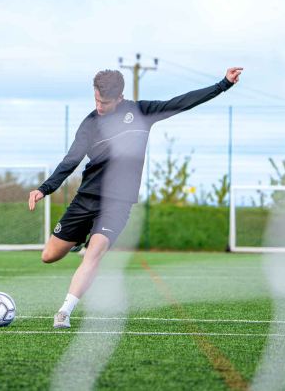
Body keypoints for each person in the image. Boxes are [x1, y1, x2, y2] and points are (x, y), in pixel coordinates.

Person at [29, 67, 243, 328]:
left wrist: (223, 84)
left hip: (118, 202)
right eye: (96, 100)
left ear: (119, 98)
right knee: (49, 255)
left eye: (104, 102)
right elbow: (71, 160)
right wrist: (44, 189)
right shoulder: (90, 123)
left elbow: (181, 103)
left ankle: (64, 312)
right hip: (86, 198)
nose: (99, 106)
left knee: (93, 254)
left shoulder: (140, 113)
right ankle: (79, 238)